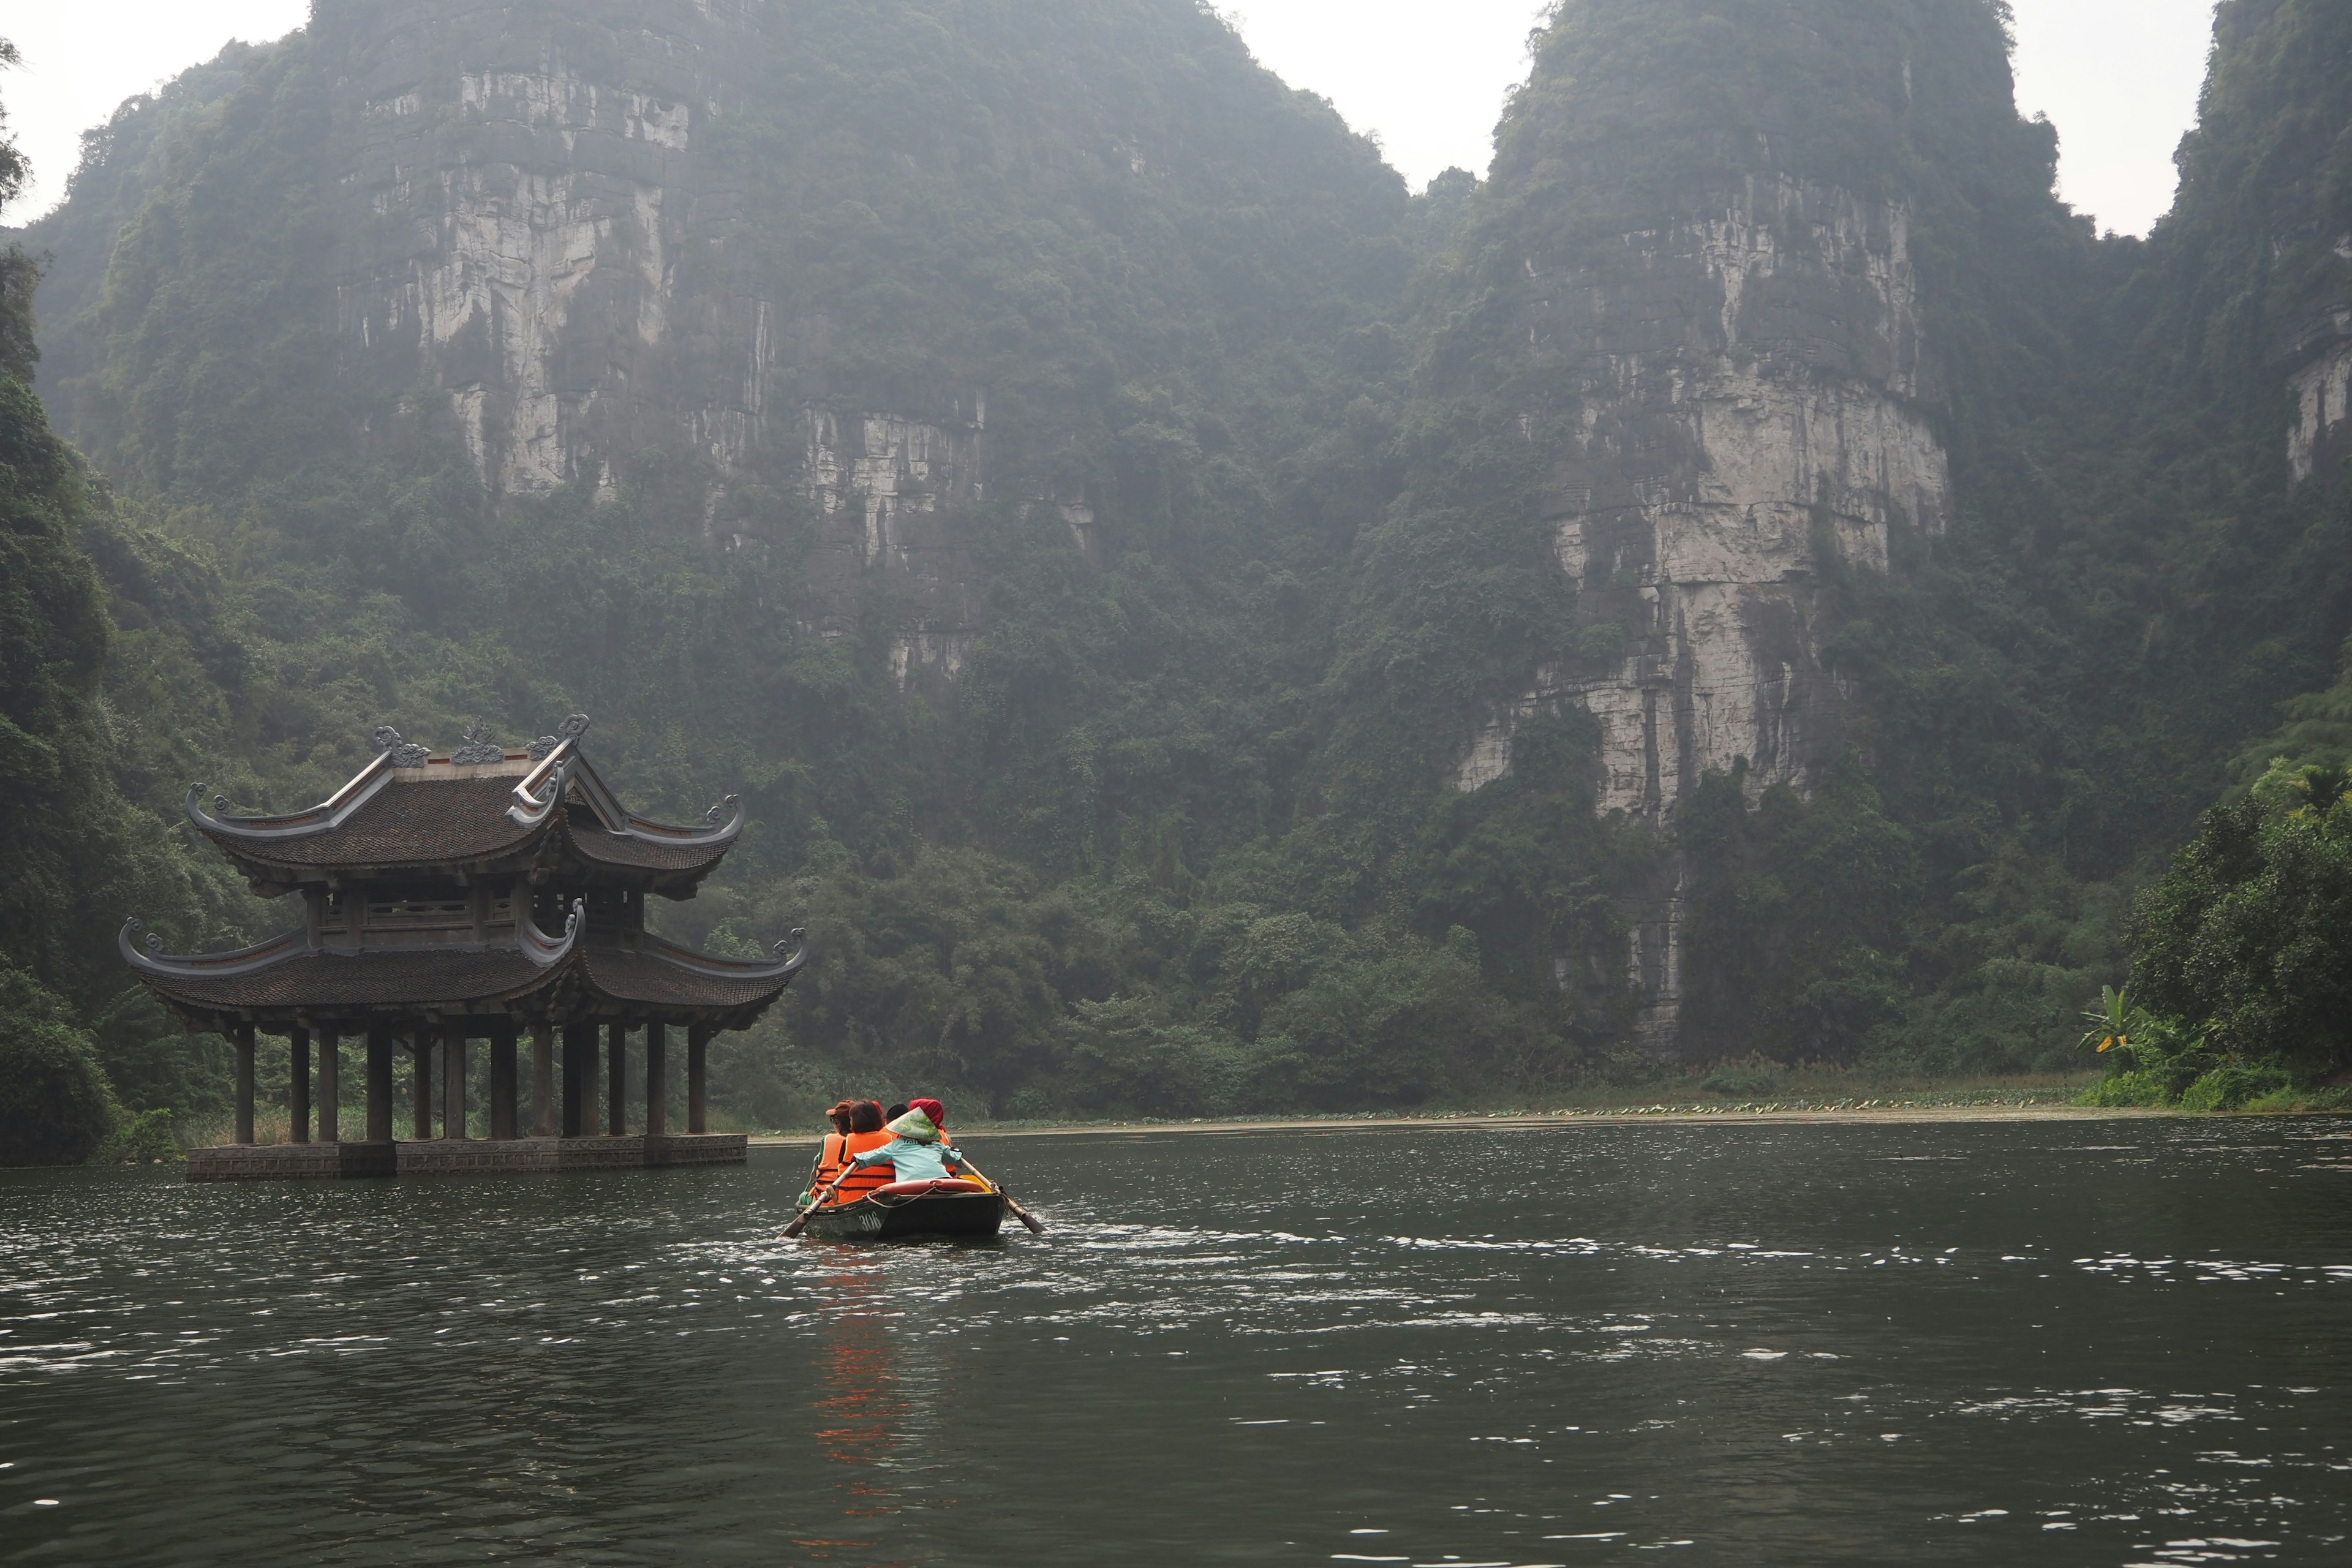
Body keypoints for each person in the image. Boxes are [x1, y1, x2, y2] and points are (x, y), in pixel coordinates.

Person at [837, 1098, 968, 1188]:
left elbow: (874, 1156)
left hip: (910, 1185)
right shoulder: (936, 1144)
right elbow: (955, 1158)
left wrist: (858, 1158)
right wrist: (957, 1153)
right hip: (943, 1180)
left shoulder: (897, 1145)